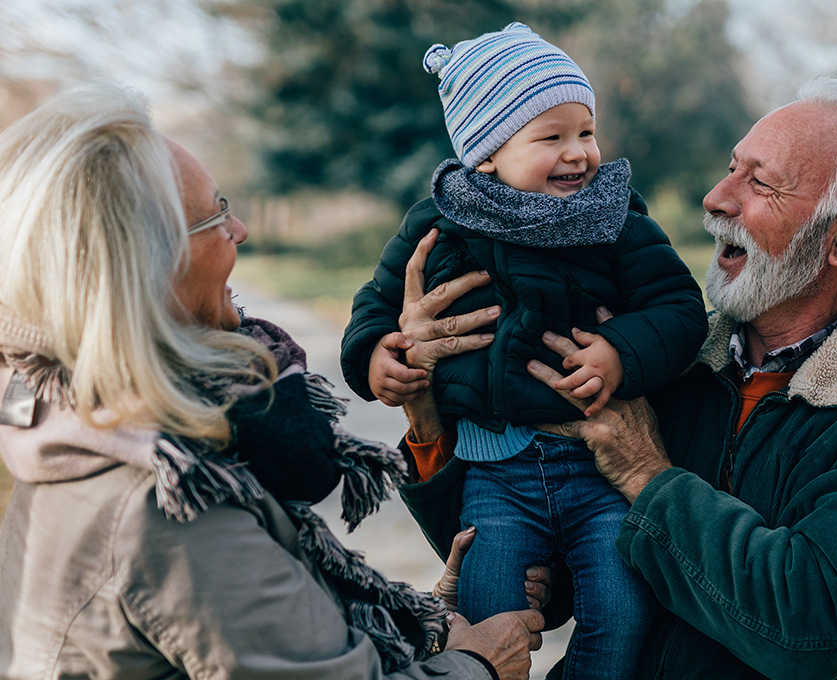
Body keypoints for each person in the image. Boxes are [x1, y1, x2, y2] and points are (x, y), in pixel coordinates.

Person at [389, 76, 837, 678]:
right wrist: (427, 405)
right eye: (731, 168)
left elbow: (806, 626)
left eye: (759, 183)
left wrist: (645, 474)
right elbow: (524, 553)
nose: (715, 198)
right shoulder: (659, 358)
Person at [0, 82, 549, 680]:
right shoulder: (171, 506)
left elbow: (280, 638)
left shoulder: (82, 432)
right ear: (142, 272)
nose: (238, 229)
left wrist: (424, 625)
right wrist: (478, 665)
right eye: (213, 216)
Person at [340, 22, 707, 680]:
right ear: (487, 153)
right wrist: (377, 358)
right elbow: (376, 305)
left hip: (600, 471)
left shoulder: (615, 220)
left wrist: (620, 352)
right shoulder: (439, 223)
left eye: (586, 132)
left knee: (622, 611)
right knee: (488, 622)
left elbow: (678, 310)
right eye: (551, 137)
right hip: (495, 479)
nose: (578, 154)